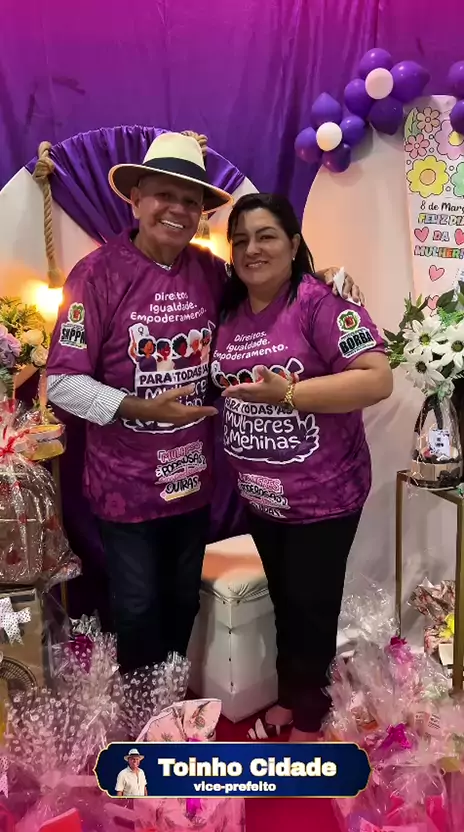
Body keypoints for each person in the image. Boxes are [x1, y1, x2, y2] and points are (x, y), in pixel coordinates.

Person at [46, 130, 364, 675]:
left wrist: (324, 277)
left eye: (190, 201)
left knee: (182, 601)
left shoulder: (211, 271)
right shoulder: (96, 275)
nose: (177, 209)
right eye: (163, 195)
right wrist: (139, 409)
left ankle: (171, 699)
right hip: (125, 488)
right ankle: (142, 713)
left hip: (193, 484)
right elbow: (61, 383)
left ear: (200, 214)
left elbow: (270, 293)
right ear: (136, 199)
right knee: (137, 607)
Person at [211, 193, 393, 743]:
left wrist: (289, 393)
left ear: (293, 244)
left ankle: (310, 720)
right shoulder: (228, 309)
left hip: (323, 495)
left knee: (312, 605)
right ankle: (294, 694)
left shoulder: (320, 304)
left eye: (266, 235)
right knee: (286, 601)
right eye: (240, 239)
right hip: (261, 495)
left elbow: (376, 378)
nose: (252, 249)